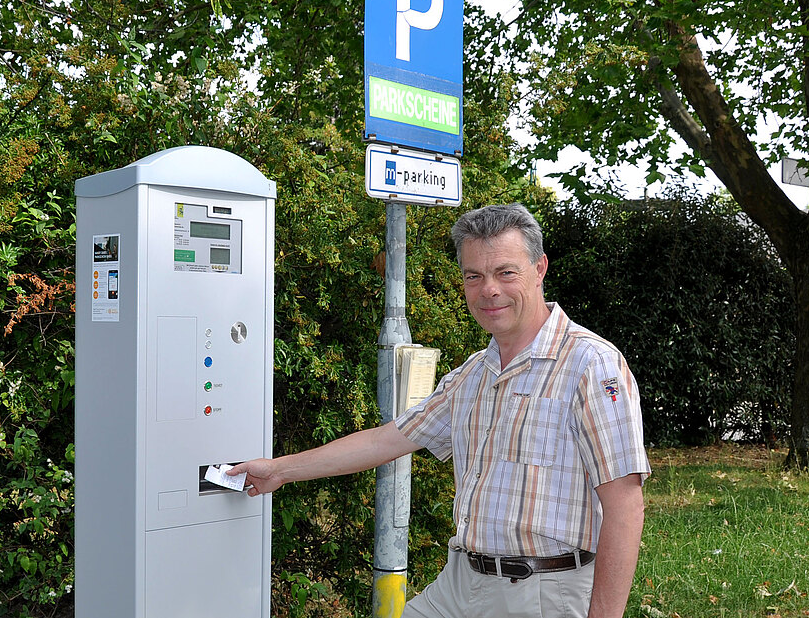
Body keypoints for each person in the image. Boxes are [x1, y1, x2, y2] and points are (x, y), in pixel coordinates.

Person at [230, 203, 650, 618]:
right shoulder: (473, 374)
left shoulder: (591, 365)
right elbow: (383, 441)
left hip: (542, 593)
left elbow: (625, 506)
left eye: (506, 272)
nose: (489, 289)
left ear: (539, 269)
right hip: (460, 584)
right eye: (474, 276)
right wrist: (280, 470)